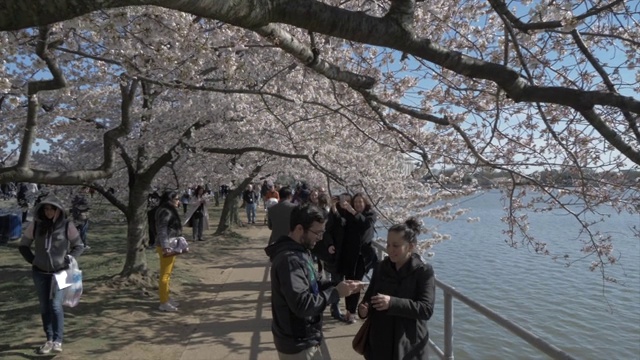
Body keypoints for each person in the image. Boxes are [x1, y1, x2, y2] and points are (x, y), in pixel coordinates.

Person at [264, 204, 364, 360]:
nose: (320, 237)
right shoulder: (289, 260)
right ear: (299, 229)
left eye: (322, 232)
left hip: (303, 337)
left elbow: (314, 282)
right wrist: (336, 293)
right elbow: (302, 304)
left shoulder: (300, 252)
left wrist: (340, 286)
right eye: (317, 232)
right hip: (298, 342)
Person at [357, 218, 436, 360]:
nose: (390, 250)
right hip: (380, 340)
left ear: (410, 247)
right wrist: (364, 309)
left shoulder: (423, 271)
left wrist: (392, 302)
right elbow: (369, 297)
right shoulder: (381, 267)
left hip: (408, 342)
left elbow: (426, 309)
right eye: (388, 245)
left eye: (396, 246)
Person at [17, 193, 84, 354]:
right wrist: (33, 260)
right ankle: (49, 339)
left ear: (58, 210)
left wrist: (70, 258)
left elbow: (79, 245)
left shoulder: (67, 225)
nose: (48, 212)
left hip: (61, 273)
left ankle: (58, 340)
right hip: (40, 272)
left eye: (52, 209)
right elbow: (23, 245)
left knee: (55, 305)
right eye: (46, 209)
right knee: (45, 307)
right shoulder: (36, 225)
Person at [338, 192, 377, 323]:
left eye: (360, 202)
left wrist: (353, 212)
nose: (358, 204)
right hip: (349, 254)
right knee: (348, 281)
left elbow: (365, 224)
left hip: (362, 256)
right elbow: (339, 222)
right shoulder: (349, 214)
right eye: (355, 202)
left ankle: (353, 312)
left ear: (365, 203)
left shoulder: (370, 214)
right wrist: (336, 206)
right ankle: (348, 311)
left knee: (356, 282)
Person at [155, 190, 183, 312]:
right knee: (165, 275)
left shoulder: (168, 210)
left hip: (172, 243)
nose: (178, 201)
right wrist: (166, 246)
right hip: (166, 245)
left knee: (168, 273)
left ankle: (166, 297)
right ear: (170, 200)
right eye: (176, 199)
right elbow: (162, 229)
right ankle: (163, 302)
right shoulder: (165, 211)